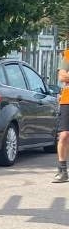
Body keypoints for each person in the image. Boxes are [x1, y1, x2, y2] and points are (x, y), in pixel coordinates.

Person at [54, 47, 69, 183]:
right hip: (67, 100)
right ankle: (63, 170)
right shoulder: (68, 54)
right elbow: (62, 76)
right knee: (64, 135)